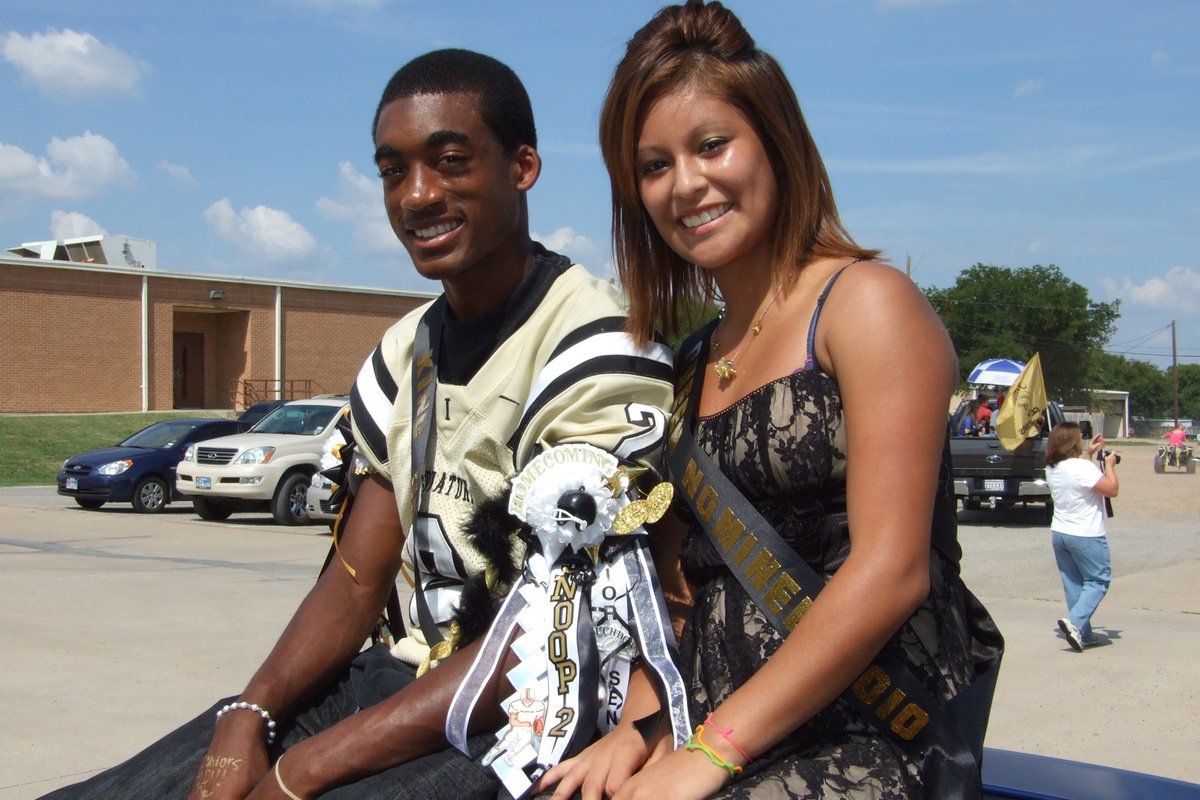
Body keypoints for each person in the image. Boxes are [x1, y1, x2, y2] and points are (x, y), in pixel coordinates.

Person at [43, 49, 676, 800]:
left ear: (523, 166)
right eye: (392, 171)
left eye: (449, 161)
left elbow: (547, 633)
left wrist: (299, 772)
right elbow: (353, 582)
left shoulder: (600, 341)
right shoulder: (403, 349)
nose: (417, 195)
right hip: (389, 683)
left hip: (520, 717)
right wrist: (245, 718)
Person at [538, 3, 1003, 799]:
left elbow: (892, 572)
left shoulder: (867, 306)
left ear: (775, 142)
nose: (687, 184)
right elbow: (678, 593)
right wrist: (638, 731)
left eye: (711, 144)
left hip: (864, 741)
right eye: (654, 166)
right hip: (712, 736)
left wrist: (710, 755)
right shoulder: (691, 361)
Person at [1045, 422, 1119, 652]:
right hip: (1086, 534)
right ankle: (1075, 622)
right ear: (1073, 442)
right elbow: (1111, 489)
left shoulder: (1052, 468)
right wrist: (1109, 465)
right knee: (1098, 580)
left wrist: (1090, 453)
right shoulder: (1081, 468)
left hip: (1060, 532)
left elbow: (1078, 474)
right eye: (1080, 439)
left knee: (1073, 583)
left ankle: (1082, 634)